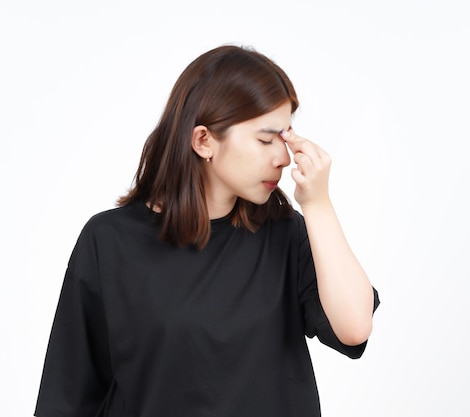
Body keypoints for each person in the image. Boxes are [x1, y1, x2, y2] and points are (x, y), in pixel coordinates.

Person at [34, 45, 380, 417]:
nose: (283, 156)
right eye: (266, 139)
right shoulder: (108, 241)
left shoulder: (284, 233)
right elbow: (67, 396)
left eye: (286, 136)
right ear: (204, 141)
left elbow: (354, 328)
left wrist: (317, 204)